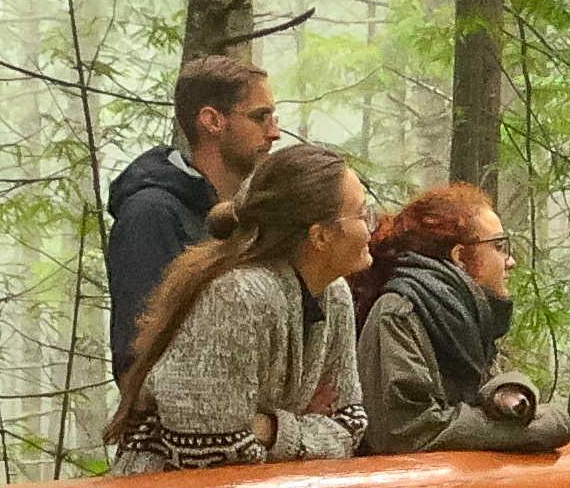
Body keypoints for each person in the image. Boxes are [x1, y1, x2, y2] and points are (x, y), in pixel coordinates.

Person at [109, 141, 373, 471]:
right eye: (363, 214)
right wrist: (303, 430)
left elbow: (351, 422)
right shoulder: (239, 297)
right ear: (320, 237)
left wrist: (268, 428)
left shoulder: (335, 296)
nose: (371, 226)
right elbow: (207, 448)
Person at [103, 52, 283, 384]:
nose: (275, 133)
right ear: (212, 121)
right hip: (180, 431)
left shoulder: (252, 217)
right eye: (261, 117)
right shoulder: (151, 214)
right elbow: (138, 363)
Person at [355, 185, 570, 456]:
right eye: (499, 246)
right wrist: (535, 428)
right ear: (459, 256)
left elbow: (476, 402)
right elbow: (404, 430)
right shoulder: (399, 313)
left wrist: (508, 395)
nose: (511, 261)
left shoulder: (462, 315)